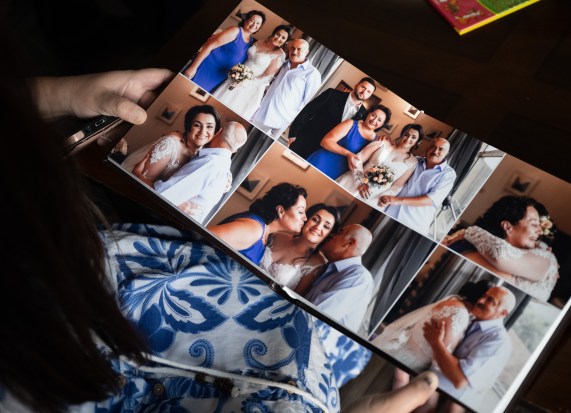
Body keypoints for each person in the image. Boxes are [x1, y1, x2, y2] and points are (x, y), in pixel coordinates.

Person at [2, 19, 441, 413]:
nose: (317, 224)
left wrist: (59, 95)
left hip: (113, 280)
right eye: (313, 216)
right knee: (351, 353)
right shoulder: (259, 228)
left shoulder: (309, 258)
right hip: (204, 339)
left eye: (324, 223)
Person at [443, 195, 560, 302]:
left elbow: (499, 256)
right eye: (534, 224)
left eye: (540, 225)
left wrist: (470, 231)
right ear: (507, 227)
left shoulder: (547, 258)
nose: (540, 231)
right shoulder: (470, 248)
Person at [371, 280, 492, 372]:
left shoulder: (454, 300)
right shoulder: (459, 314)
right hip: (407, 362)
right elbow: (440, 359)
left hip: (401, 349)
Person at [423, 285, 515, 400]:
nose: (480, 300)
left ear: (503, 313)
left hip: (439, 397)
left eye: (490, 301)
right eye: (484, 296)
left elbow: (460, 380)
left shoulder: (498, 341)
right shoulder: (470, 317)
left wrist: (436, 343)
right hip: (424, 378)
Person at [154, 121, 248, 223]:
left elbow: (163, 194)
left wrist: (139, 176)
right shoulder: (222, 167)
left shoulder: (210, 163)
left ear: (218, 131)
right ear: (235, 150)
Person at [207, 182, 308, 265]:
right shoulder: (254, 229)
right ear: (281, 211)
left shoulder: (265, 234)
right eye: (300, 212)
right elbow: (201, 236)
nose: (305, 217)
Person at [128, 104, 222, 188]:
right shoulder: (170, 144)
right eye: (197, 125)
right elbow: (139, 183)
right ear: (188, 126)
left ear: (215, 131)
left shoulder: (207, 154)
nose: (202, 132)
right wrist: (137, 174)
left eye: (209, 126)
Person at [303, 224, 374, 333]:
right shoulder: (329, 268)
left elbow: (313, 317)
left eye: (340, 232)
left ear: (350, 243)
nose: (332, 235)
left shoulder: (359, 277)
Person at [211, 25, 291, 119]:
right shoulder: (260, 42)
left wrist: (244, 80)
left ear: (286, 41)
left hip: (251, 85)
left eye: (283, 38)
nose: (279, 38)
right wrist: (238, 73)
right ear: (274, 33)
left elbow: (266, 75)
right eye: (278, 34)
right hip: (236, 74)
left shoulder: (280, 54)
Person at [379, 137, 456, 236]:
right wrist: (388, 142)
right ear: (428, 148)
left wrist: (397, 200)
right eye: (433, 147)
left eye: (441, 149)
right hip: (389, 212)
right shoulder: (415, 161)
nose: (435, 151)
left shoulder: (448, 174)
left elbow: (430, 200)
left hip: (413, 223)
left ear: (447, 153)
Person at [288, 77, 377, 158]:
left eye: (368, 91)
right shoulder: (331, 94)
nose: (364, 92)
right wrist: (293, 135)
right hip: (304, 143)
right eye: (363, 87)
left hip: (326, 154)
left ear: (370, 95)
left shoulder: (364, 114)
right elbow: (307, 111)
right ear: (357, 85)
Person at [250, 38, 322, 138]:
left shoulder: (312, 74)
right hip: (260, 113)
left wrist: (294, 124)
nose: (294, 51)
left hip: (281, 121)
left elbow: (308, 102)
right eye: (292, 48)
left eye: (299, 49)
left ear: (307, 52)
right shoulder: (283, 63)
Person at [336, 123, 422, 205]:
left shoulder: (412, 162)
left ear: (417, 142)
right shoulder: (383, 143)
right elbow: (357, 160)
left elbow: (397, 186)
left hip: (372, 197)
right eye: (406, 134)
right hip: (352, 182)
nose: (408, 139)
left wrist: (383, 199)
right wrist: (360, 182)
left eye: (413, 137)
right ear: (402, 134)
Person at [260, 203, 340, 290]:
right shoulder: (278, 236)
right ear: (306, 219)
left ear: (329, 235)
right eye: (315, 220)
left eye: (326, 226)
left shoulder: (317, 263)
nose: (318, 227)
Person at [183, 10, 266, 92]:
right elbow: (209, 46)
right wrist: (193, 67)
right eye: (252, 21)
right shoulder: (235, 31)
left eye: (258, 23)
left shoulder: (251, 41)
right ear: (246, 20)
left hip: (218, 77)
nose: (254, 25)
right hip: (206, 69)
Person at [306, 104, 392, 180]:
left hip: (339, 174)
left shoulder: (377, 141)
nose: (374, 120)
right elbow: (325, 142)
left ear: (382, 125)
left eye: (379, 120)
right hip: (321, 162)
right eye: (373, 115)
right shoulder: (351, 124)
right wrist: (348, 154)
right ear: (368, 113)